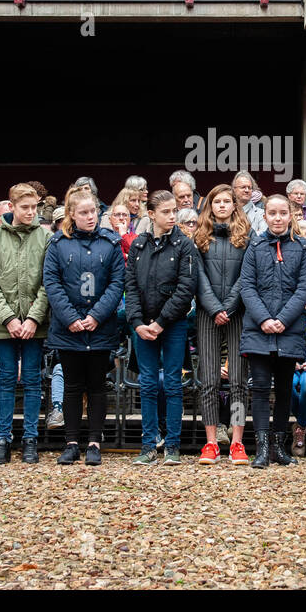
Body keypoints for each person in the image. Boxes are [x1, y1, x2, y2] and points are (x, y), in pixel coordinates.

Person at [42, 187, 125, 466]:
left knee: (97, 386)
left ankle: (94, 442)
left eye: (94, 212)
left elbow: (116, 283)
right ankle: (71, 442)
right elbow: (52, 283)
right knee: (73, 386)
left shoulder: (110, 243)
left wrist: (97, 315)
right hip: (69, 329)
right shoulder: (57, 244)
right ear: (71, 214)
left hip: (100, 327)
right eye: (84, 213)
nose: (91, 217)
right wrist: (70, 318)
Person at [238, 194, 306, 468]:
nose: (278, 218)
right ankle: (260, 448)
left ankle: (278, 448)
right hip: (258, 329)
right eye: (273, 213)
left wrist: (282, 319)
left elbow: (305, 286)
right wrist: (263, 319)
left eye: (283, 213)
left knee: (284, 389)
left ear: (291, 215)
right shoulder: (255, 246)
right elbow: (247, 286)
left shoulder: (302, 248)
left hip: (289, 328)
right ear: (265, 216)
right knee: (259, 388)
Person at [125, 190, 199, 467]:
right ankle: (148, 445)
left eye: (174, 211)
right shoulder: (139, 245)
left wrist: (160, 322)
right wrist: (137, 323)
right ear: (151, 214)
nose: (172, 217)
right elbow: (130, 287)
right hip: (143, 325)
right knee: (146, 384)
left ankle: (172, 446)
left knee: (172, 384)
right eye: (166, 212)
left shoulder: (183, 245)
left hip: (173, 324)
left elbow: (185, 290)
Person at [0, 183, 51, 465]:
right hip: (4, 324)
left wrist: (33, 317)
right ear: (12, 207)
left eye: (34, 208)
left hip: (35, 324)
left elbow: (48, 283)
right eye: (25, 208)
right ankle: (4, 438)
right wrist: (9, 318)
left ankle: (30, 439)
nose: (31, 212)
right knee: (6, 380)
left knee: (33, 380)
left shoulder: (44, 238)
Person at [194, 184, 251, 465]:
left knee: (239, 382)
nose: (222, 206)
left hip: (238, 314)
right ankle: (211, 442)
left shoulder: (246, 238)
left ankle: (237, 442)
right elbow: (199, 278)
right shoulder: (200, 238)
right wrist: (215, 307)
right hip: (207, 313)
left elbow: (247, 276)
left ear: (234, 205)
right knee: (209, 381)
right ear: (210, 206)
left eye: (227, 201)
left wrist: (228, 307)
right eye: (217, 201)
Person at [233, 170, 267, 235]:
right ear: (234, 189)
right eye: (243, 187)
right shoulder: (227, 211)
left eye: (249, 188)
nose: (247, 190)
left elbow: (263, 234)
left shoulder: (261, 213)